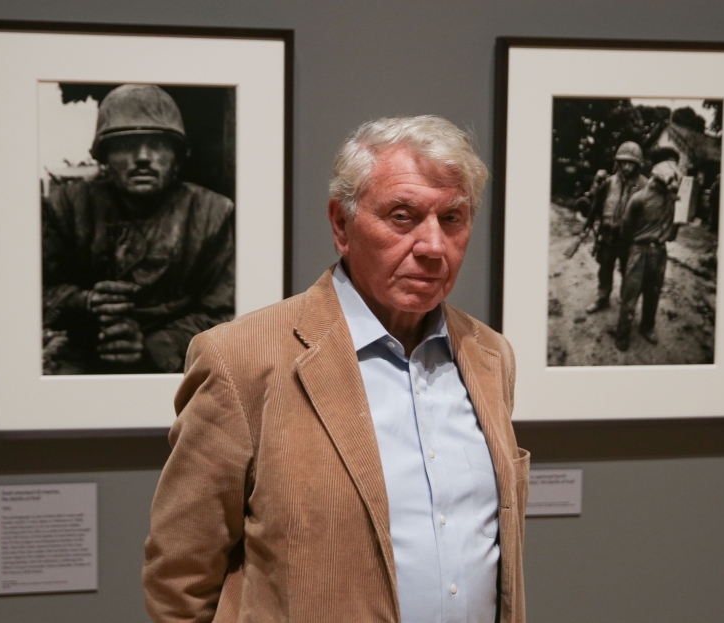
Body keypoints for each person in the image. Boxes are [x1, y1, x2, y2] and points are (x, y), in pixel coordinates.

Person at [143, 116, 530, 623]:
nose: (434, 246)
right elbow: (179, 577)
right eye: (402, 216)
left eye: (452, 219)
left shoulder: (489, 356)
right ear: (341, 226)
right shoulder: (241, 360)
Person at [42, 84, 235, 374]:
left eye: (158, 144)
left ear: (178, 157)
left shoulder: (213, 213)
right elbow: (35, 292)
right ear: (103, 156)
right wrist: (85, 301)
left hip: (182, 360)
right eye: (126, 144)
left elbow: (225, 312)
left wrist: (152, 347)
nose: (143, 157)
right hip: (85, 349)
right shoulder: (66, 207)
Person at [614, 160, 681, 352]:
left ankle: (647, 326)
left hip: (659, 252)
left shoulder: (672, 201)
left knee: (653, 292)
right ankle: (622, 333)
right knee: (630, 294)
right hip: (638, 250)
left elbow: (673, 234)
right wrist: (628, 254)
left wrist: (678, 212)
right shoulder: (638, 199)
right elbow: (625, 229)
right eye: (666, 181)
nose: (669, 185)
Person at [577, 141, 648, 313]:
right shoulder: (608, 182)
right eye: (623, 162)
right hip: (608, 235)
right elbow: (594, 204)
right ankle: (603, 297)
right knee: (605, 268)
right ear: (618, 162)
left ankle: (626, 302)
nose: (626, 166)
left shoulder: (645, 185)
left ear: (637, 164)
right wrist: (595, 186)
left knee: (628, 272)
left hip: (630, 239)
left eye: (630, 162)